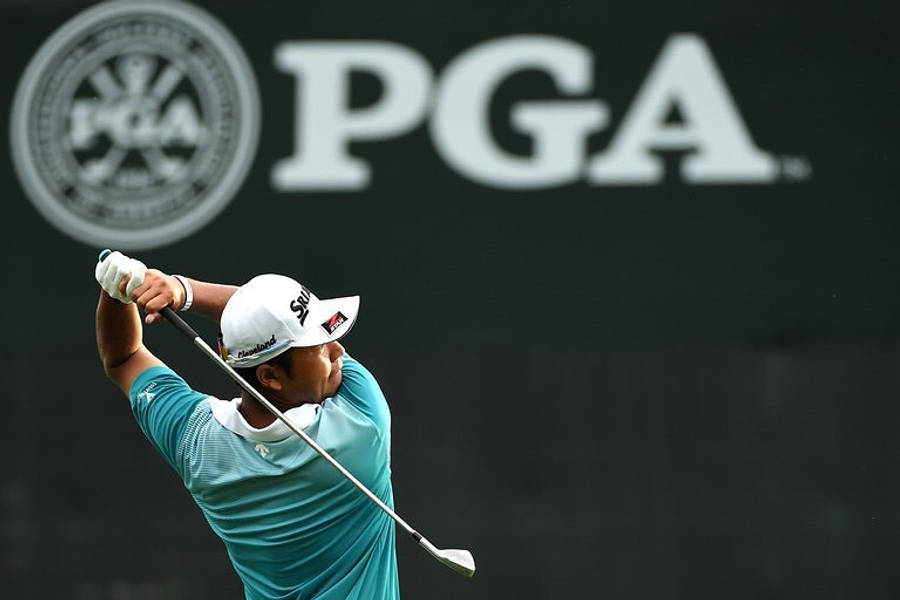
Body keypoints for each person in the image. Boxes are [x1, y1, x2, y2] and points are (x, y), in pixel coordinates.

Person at [94, 251, 399, 599]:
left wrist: (115, 293)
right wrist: (183, 290)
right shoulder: (360, 419)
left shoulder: (196, 442)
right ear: (270, 377)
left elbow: (124, 357)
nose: (337, 352)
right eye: (318, 346)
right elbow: (252, 316)